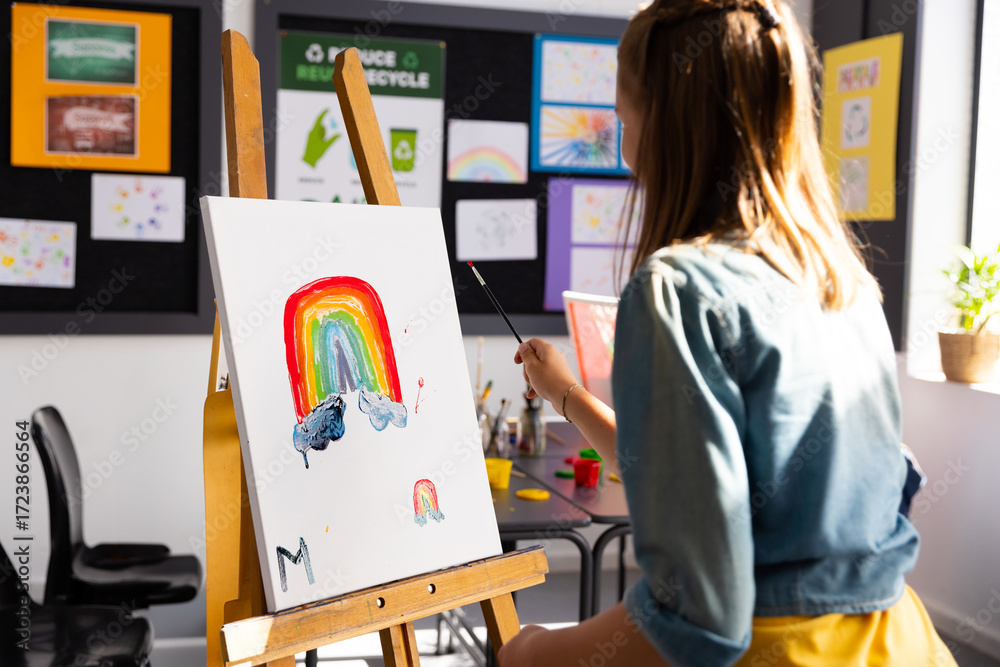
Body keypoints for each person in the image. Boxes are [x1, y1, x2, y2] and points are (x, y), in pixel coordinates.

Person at [498, 1, 957, 665]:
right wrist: (565, 391)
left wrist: (538, 652)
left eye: (623, 116)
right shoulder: (840, 277)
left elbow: (700, 619)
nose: (622, 144)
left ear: (665, 122)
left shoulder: (676, 289)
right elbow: (693, 474)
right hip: (901, 641)